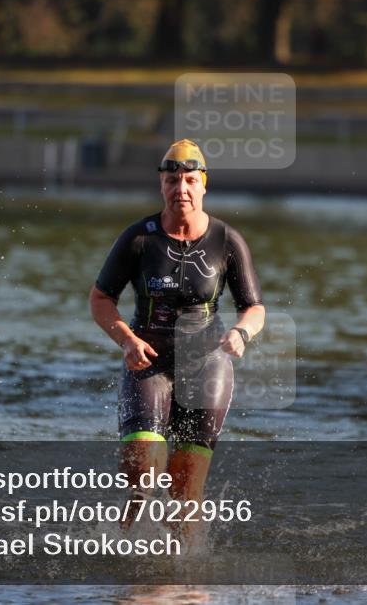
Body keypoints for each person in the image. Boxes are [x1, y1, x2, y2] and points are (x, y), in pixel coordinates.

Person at [89, 139, 265, 531]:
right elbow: (101, 299)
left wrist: (241, 332)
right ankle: (124, 550)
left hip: (207, 366)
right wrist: (127, 340)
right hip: (147, 361)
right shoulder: (139, 239)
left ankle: (186, 570)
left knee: (185, 484)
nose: (180, 190)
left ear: (204, 184)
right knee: (143, 473)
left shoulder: (226, 240)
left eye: (188, 180)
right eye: (171, 180)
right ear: (161, 185)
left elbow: (254, 308)